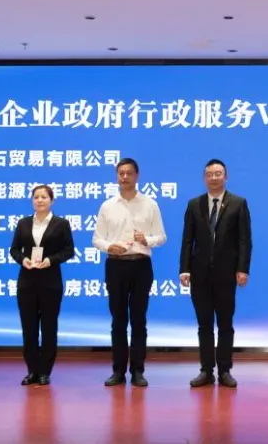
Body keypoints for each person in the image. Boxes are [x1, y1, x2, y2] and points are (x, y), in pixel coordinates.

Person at [93, 158, 167, 387]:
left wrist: (148, 240)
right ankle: (118, 371)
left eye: (129, 173)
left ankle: (137, 371)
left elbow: (162, 236)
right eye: (121, 173)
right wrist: (109, 247)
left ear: (137, 176)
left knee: (138, 320)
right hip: (115, 265)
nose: (124, 177)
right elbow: (97, 239)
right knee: (118, 320)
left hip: (140, 265)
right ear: (117, 176)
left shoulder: (150, 204)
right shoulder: (107, 205)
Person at [179, 159, 253, 388]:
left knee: (225, 324)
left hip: (226, 274)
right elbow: (187, 239)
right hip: (199, 274)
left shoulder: (238, 203)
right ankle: (206, 370)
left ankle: (225, 370)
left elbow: (244, 240)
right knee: (204, 325)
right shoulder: (194, 204)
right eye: (210, 174)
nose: (214, 178)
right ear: (204, 178)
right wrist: (184, 269)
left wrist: (242, 268)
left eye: (218, 173)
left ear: (225, 177)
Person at [9, 185, 75, 386]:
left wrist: (50, 260)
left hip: (50, 281)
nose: (39, 200)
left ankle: (45, 371)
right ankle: (32, 370)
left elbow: (69, 250)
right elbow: (14, 250)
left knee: (48, 327)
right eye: (36, 197)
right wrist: (23, 260)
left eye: (44, 197)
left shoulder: (61, 224)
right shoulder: (23, 223)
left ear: (51, 200)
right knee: (28, 327)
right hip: (27, 281)